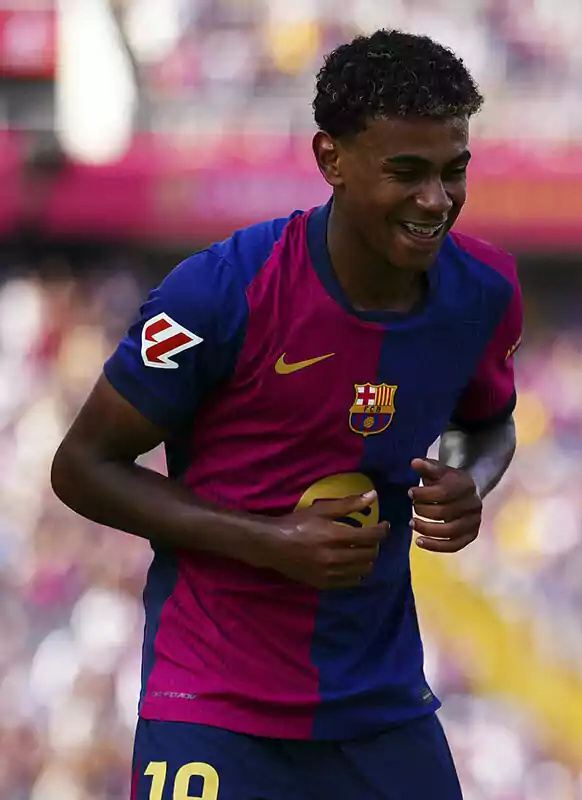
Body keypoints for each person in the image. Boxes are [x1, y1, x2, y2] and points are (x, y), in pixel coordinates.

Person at [50, 30, 521, 800]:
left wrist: (470, 478)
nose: (436, 200)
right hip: (214, 702)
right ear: (331, 159)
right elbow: (81, 467)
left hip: (382, 707)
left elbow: (488, 422)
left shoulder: (484, 292)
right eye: (406, 172)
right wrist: (268, 541)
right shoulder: (218, 293)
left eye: (453, 171)